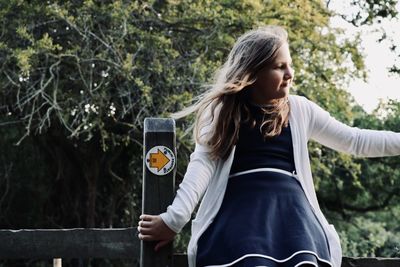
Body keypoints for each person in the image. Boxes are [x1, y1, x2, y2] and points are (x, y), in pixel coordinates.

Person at [136, 25, 400, 267]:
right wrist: (174, 220)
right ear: (253, 73)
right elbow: (201, 165)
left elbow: (355, 140)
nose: (289, 74)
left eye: (290, 65)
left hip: (292, 220)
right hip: (241, 218)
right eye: (279, 67)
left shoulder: (300, 109)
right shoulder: (223, 112)